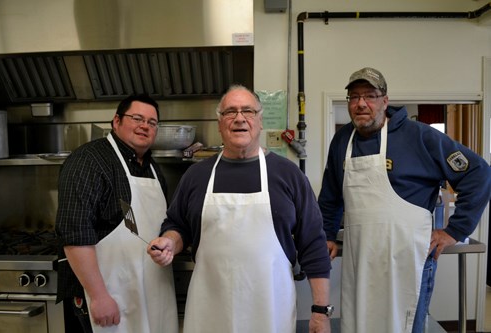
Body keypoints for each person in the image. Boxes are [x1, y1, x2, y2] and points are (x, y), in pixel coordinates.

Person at [147, 84, 333, 333]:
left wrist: (320, 312)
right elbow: (176, 225)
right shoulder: (196, 175)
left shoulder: (288, 175)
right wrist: (170, 241)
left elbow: (313, 245)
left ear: (259, 120)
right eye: (230, 112)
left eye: (248, 111)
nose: (239, 118)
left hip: (270, 311)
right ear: (219, 123)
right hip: (209, 310)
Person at [317, 67, 491, 333]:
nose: (361, 103)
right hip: (360, 260)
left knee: (405, 325)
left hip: (409, 259)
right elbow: (330, 194)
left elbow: (478, 172)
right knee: (360, 324)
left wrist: (455, 230)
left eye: (370, 95)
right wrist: (327, 233)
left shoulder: (421, 137)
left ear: (385, 101)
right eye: (354, 96)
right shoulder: (343, 140)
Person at [55, 94, 178, 333]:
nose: (145, 126)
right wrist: (99, 296)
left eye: (152, 123)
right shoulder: (89, 160)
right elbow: (74, 234)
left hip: (148, 292)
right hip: (105, 294)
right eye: (137, 118)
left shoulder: (153, 169)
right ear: (116, 121)